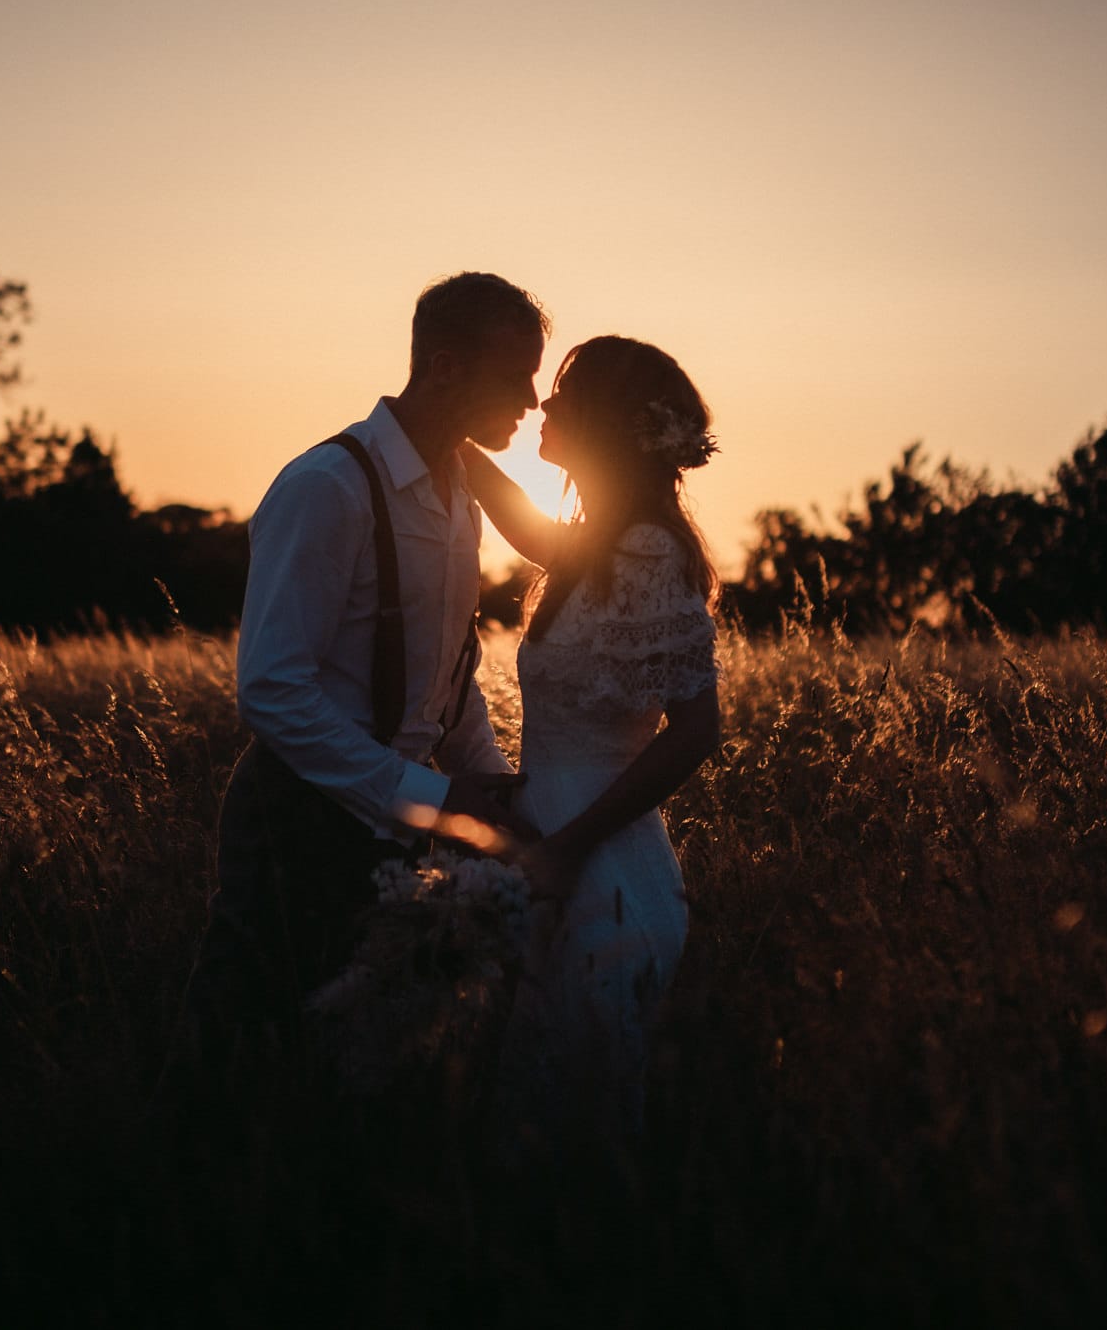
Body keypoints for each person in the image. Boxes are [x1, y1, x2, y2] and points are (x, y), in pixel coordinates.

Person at [177, 272, 547, 1078]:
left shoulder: (459, 503)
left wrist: (487, 785)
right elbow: (270, 688)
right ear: (445, 366)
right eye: (515, 374)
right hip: (298, 819)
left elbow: (450, 677)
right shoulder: (326, 486)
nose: (532, 398)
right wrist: (428, 795)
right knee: (244, 1046)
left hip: (403, 828)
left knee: (361, 1053)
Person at [458, 335, 724, 1137]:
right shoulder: (599, 546)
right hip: (562, 863)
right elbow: (530, 529)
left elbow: (697, 732)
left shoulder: (643, 552)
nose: (545, 404)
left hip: (603, 877)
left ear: (607, 425)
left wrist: (566, 847)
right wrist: (446, 437)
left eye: (567, 397)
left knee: (576, 1135)